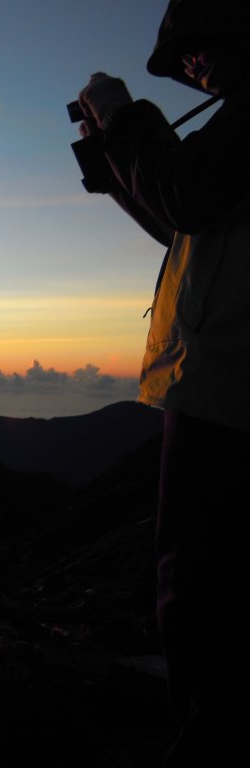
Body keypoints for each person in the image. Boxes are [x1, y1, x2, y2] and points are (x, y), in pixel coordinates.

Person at [76, 1, 250, 764]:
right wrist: (113, 164)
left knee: (201, 589)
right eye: (182, 61)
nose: (192, 68)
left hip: (230, 388)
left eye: (198, 50)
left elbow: (187, 197)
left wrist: (122, 113)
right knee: (202, 582)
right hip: (218, 382)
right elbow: (184, 220)